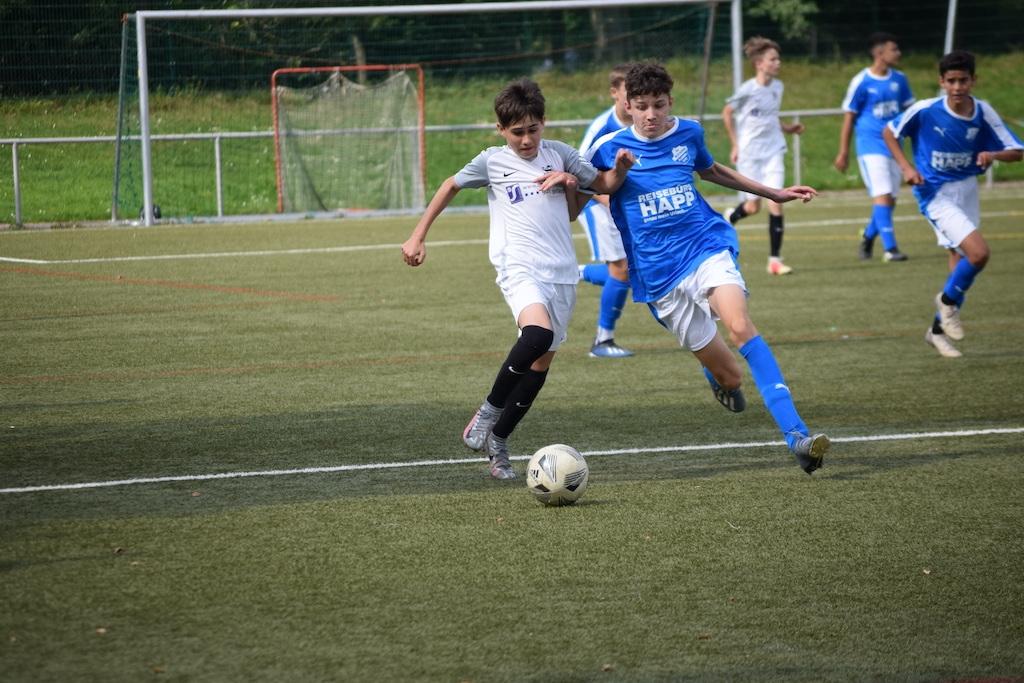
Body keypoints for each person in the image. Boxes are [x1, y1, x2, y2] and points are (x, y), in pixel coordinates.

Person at [587, 61, 830, 474]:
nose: (650, 115)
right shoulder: (608, 146)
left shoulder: (689, 132)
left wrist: (772, 192)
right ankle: (717, 377)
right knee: (732, 378)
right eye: (641, 107)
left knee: (739, 325)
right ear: (627, 105)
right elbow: (588, 187)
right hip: (658, 274)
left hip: (705, 246)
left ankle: (798, 437)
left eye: (658, 105)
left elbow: (712, 170)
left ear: (670, 102)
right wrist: (591, 180)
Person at [402, 77, 634, 479]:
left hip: (561, 271)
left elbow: (598, 190)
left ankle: (499, 441)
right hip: (518, 266)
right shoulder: (492, 162)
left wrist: (612, 171)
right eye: (516, 132)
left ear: (544, 122)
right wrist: (418, 235)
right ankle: (487, 412)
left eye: (533, 129)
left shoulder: (561, 154)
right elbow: (450, 185)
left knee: (539, 367)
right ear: (500, 129)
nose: (526, 140)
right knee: (537, 334)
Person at [883, 50, 1023, 358]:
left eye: (963, 80)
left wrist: (993, 154)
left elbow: (1017, 151)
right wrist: (906, 167)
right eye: (951, 81)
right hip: (935, 193)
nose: (957, 87)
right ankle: (946, 304)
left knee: (959, 263)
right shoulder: (925, 109)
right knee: (979, 253)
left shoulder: (983, 111)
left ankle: (936, 331)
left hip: (967, 189)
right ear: (942, 82)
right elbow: (889, 132)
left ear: (974, 80)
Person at [721, 36, 805, 275]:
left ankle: (774, 260)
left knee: (776, 200)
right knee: (753, 207)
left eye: (778, 58)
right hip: (750, 154)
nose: (778, 63)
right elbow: (727, 113)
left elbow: (771, 116)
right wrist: (735, 145)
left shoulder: (778, 87)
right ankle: (730, 217)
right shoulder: (747, 90)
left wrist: (787, 129)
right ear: (759, 64)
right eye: (773, 59)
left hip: (773, 151)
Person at [834, 32, 916, 262]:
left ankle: (868, 236)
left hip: (895, 147)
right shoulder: (861, 81)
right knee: (883, 196)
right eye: (894, 49)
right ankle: (891, 249)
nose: (898, 53)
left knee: (890, 201)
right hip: (870, 146)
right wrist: (843, 151)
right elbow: (849, 117)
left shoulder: (900, 79)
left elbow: (909, 113)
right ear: (880, 53)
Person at [577, 63, 636, 358]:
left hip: (626, 205)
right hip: (598, 204)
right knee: (623, 269)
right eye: (629, 90)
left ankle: (572, 272)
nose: (635, 97)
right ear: (615, 93)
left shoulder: (646, 121)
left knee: (633, 270)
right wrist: (610, 202)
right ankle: (602, 341)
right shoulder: (601, 129)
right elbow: (580, 175)